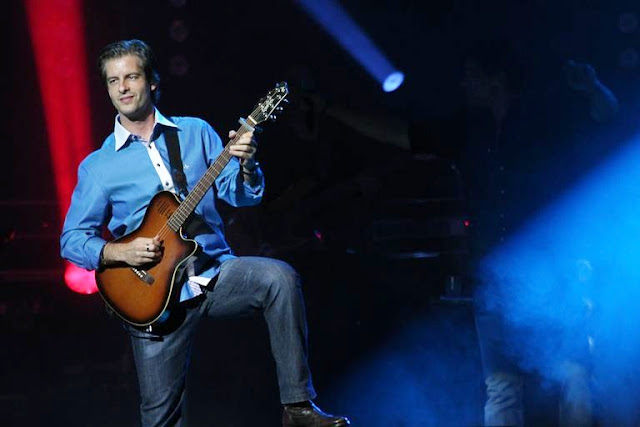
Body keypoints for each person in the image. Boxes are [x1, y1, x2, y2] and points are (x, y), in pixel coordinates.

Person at [316, 39, 618, 425]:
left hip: (552, 270)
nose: (463, 83)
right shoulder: (468, 129)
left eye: (471, 75)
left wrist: (592, 86)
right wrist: (332, 109)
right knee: (502, 385)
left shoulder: (544, 117)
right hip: (495, 277)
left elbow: (606, 114)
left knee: (573, 374)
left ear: (495, 78)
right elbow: (402, 133)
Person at [60, 39, 350, 427]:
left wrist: (247, 165)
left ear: (152, 81)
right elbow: (72, 240)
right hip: (150, 298)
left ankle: (297, 407)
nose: (123, 88)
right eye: (114, 81)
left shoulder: (195, 132)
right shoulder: (98, 166)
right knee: (161, 419)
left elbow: (241, 195)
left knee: (279, 278)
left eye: (131, 77)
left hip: (215, 273)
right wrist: (120, 253)